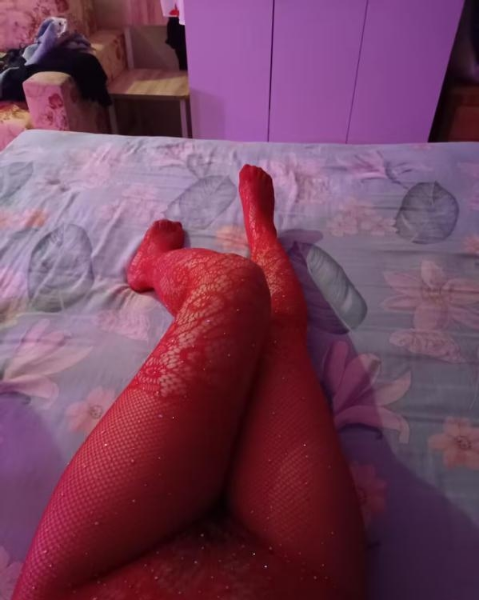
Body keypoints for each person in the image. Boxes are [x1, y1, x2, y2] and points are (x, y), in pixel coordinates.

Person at [13, 166, 366, 600]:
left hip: (88, 581)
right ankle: (253, 235)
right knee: (277, 324)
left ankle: (167, 261)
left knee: (237, 288)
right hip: (303, 582)